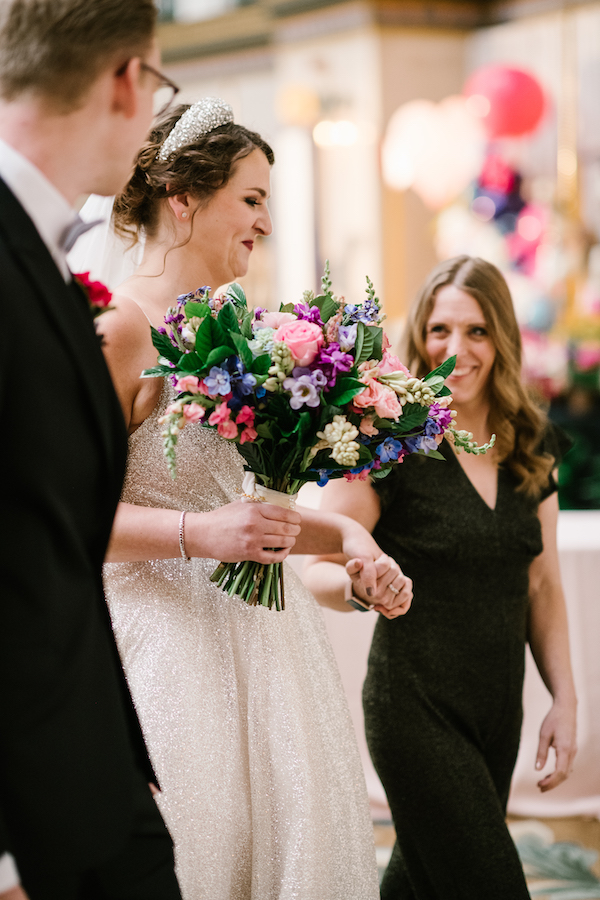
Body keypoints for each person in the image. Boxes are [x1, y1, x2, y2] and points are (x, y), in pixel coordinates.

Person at [72, 98, 413, 900]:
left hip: (269, 643)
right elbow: (65, 519)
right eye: (251, 198)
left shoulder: (242, 328)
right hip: (164, 650)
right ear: (182, 197)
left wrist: (350, 545)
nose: (265, 221)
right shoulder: (118, 330)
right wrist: (199, 533)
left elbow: (249, 511)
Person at [304, 255, 578, 899]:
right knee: (487, 882)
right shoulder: (385, 440)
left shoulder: (533, 443)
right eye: (440, 331)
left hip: (496, 710)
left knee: (424, 879)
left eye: (477, 331)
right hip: (413, 708)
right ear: (419, 338)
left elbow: (543, 585)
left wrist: (565, 700)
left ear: (502, 338)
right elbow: (317, 568)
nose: (457, 350)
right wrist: (357, 586)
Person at [0, 2, 184, 898]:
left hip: (83, 770)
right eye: (158, 84)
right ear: (127, 80)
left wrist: (116, 747)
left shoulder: (40, 252)